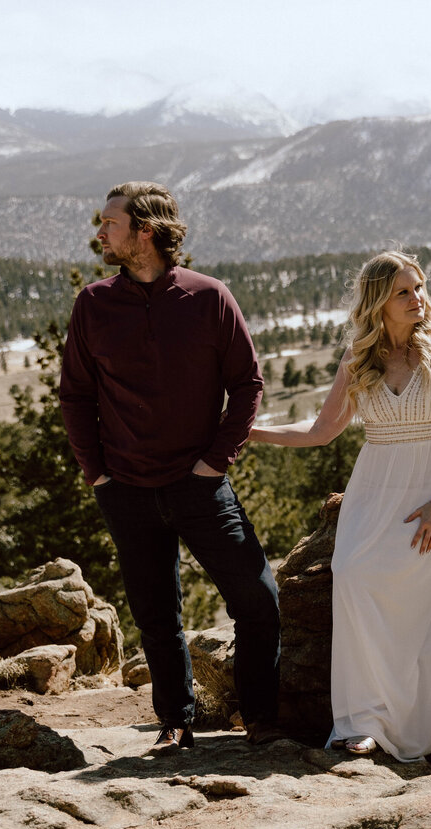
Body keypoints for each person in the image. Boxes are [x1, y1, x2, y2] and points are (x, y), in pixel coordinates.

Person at [59, 181, 281, 756]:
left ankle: (262, 718)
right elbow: (76, 396)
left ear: (145, 232)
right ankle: (175, 722)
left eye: (110, 223)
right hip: (126, 490)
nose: (100, 233)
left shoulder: (209, 298)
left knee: (259, 600)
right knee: (157, 617)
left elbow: (247, 385)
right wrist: (97, 475)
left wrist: (214, 463)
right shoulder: (93, 304)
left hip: (200, 486)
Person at [249, 250, 431, 762]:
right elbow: (321, 430)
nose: (417, 298)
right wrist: (252, 433)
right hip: (374, 488)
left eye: (419, 287)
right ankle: (361, 721)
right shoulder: (359, 359)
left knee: (410, 597)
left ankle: (399, 721)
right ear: (379, 300)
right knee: (352, 574)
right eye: (403, 291)